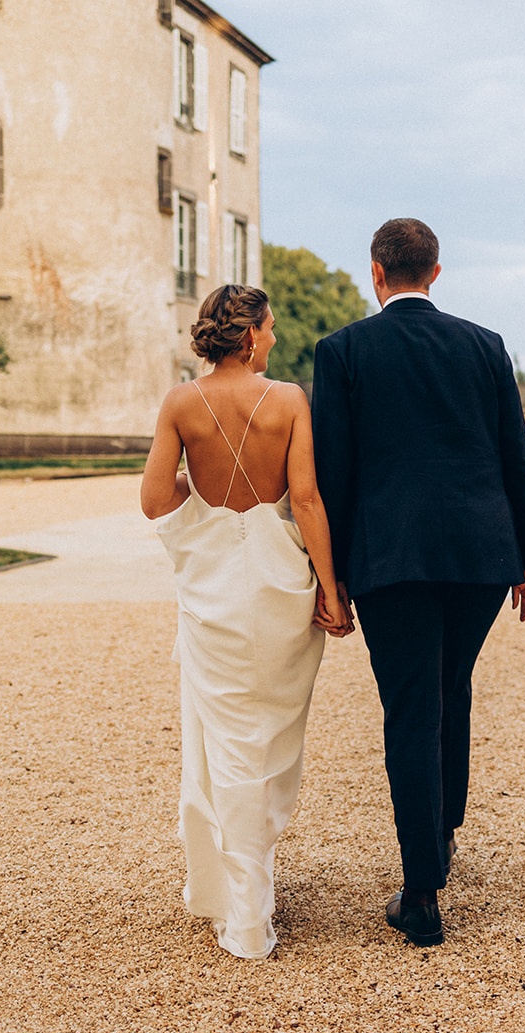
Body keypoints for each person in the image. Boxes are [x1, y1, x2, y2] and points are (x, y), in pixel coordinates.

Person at [311, 218, 525, 947]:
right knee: (451, 688)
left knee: (412, 707)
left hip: (393, 558)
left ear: (376, 274)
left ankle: (421, 894)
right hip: (482, 555)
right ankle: (441, 833)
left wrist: (335, 575)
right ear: (435, 273)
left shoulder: (343, 350)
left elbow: (334, 471)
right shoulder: (484, 345)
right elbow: (515, 454)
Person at [141, 284, 352, 959]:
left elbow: (153, 500)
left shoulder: (181, 403)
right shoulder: (289, 400)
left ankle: (239, 899)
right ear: (251, 332)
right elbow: (309, 499)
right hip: (276, 588)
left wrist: (202, 497)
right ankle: (249, 910)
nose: (273, 339)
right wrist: (331, 587)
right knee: (268, 744)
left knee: (223, 743)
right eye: (270, 328)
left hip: (213, 594)